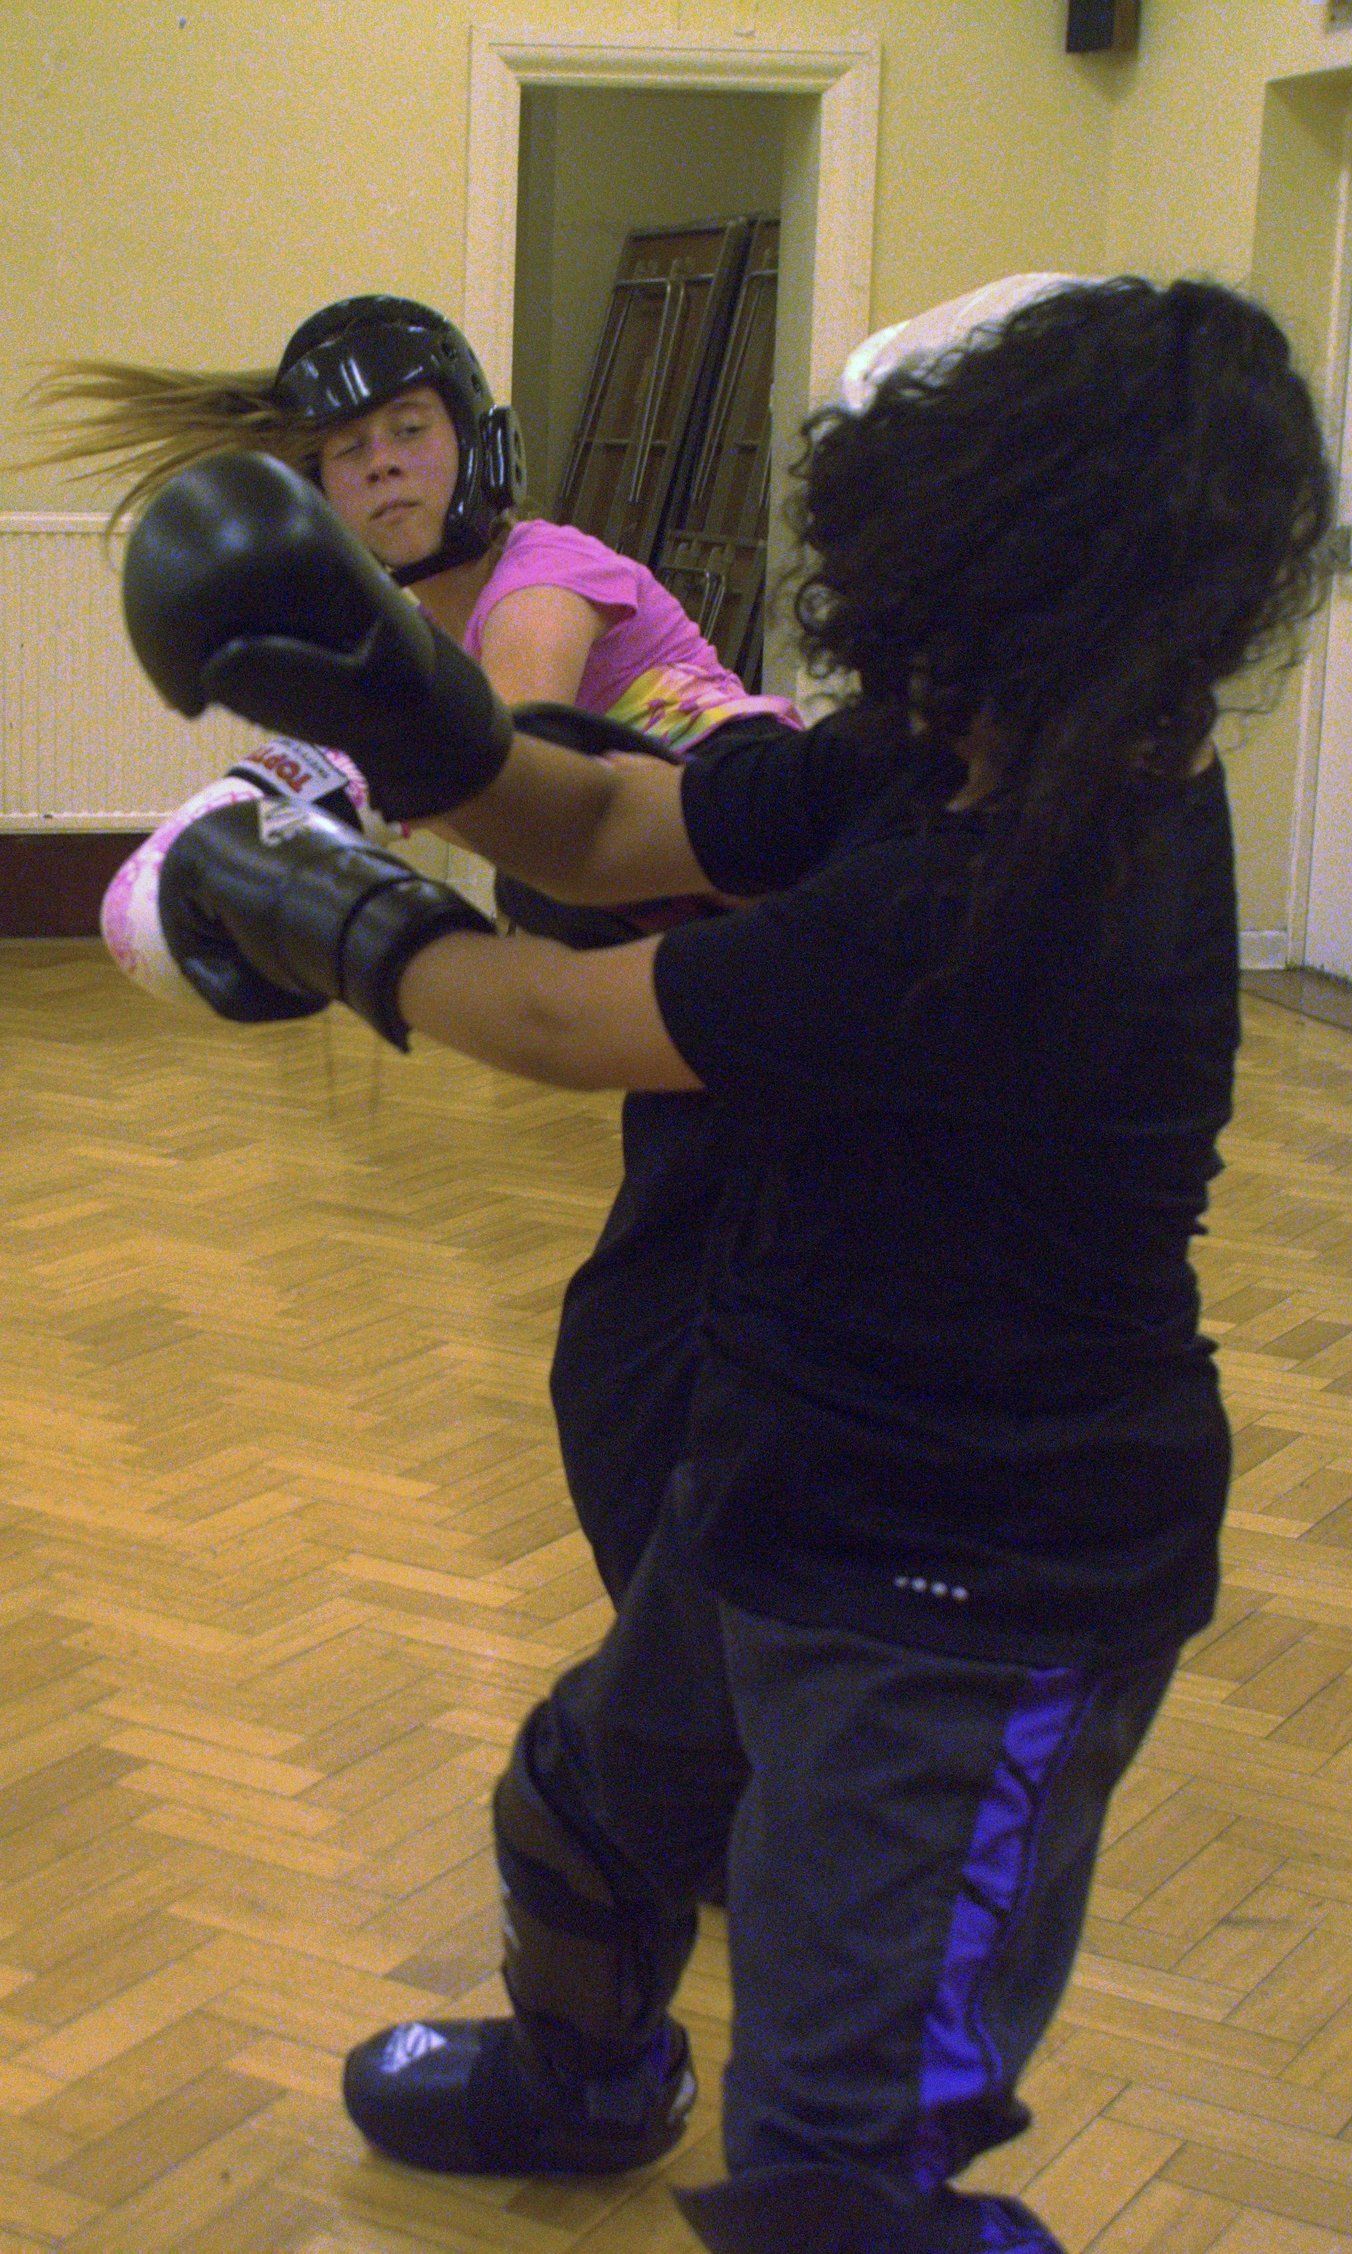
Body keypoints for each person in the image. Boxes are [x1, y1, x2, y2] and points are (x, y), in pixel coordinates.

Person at [115, 275, 1333, 2252]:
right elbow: (609, 819)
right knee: (588, 1815)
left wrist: (307, 899)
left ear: (990, 550)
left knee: (840, 2161)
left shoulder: (1018, 889)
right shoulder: (960, 752)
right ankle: (589, 2081)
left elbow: (562, 1015)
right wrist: (395, 702)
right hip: (797, 1460)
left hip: (984, 1582)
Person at [44, 296, 800, 1594]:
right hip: (706, 1002)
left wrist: (289, 799)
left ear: (478, 445)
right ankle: (702, 1661)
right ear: (318, 488)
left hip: (781, 912)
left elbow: (502, 741)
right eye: (352, 449)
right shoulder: (410, 634)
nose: (386, 463)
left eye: (410, 429)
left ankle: (738, 1656)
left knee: (660, 1371)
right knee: (633, 1375)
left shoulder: (543, 570)